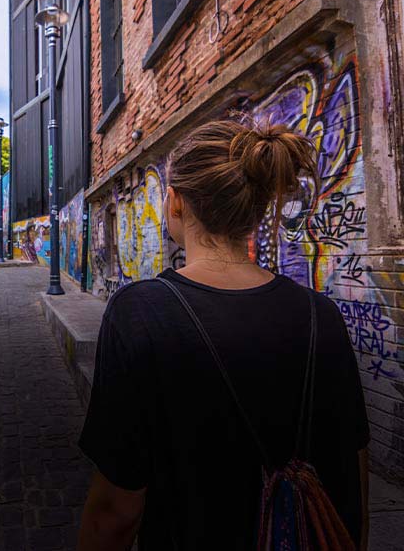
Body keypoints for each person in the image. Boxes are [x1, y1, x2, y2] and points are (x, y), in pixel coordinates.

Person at [76, 120, 370, 550]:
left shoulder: (139, 314)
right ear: (257, 207)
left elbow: (116, 512)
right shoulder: (321, 315)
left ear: (175, 203)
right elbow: (352, 486)